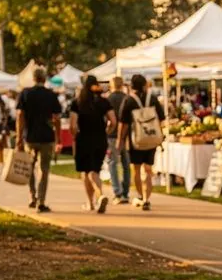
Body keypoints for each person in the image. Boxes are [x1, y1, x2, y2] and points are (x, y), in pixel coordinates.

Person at [16, 66, 62, 213]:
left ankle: (32, 197)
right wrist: (58, 138)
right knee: (44, 169)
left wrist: (19, 137)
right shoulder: (51, 95)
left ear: (33, 78)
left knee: (29, 167)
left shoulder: (25, 93)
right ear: (45, 78)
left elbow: (20, 116)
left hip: (30, 137)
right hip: (47, 137)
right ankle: (41, 201)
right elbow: (57, 118)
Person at [117, 74, 164, 212]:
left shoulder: (129, 100)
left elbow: (123, 123)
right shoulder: (153, 99)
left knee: (136, 169)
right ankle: (147, 198)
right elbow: (161, 118)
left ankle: (140, 196)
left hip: (136, 140)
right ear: (145, 85)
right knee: (148, 169)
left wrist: (120, 140)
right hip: (152, 138)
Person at [70, 75, 114, 214]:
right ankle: (94, 201)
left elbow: (73, 125)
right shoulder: (103, 101)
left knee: (88, 172)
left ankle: (96, 198)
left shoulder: (77, 102)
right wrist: (106, 131)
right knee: (95, 170)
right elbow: (113, 121)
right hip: (100, 139)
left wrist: (74, 136)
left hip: (84, 138)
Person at [105, 74, 130, 204]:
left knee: (113, 163)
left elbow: (106, 118)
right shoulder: (127, 98)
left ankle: (117, 192)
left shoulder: (108, 99)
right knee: (126, 164)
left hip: (112, 135)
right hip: (126, 136)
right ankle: (125, 192)